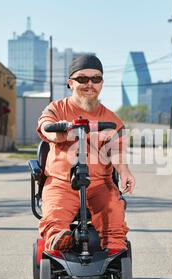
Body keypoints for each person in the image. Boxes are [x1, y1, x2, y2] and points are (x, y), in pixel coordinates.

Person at [36, 55, 136, 254]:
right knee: (55, 212)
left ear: (101, 84)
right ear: (70, 83)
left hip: (100, 184)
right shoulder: (57, 108)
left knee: (113, 211)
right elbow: (45, 127)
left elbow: (117, 153)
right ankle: (59, 239)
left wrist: (125, 172)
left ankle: (114, 253)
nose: (89, 84)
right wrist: (62, 132)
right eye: (82, 79)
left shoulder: (112, 119)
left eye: (96, 79)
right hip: (62, 183)